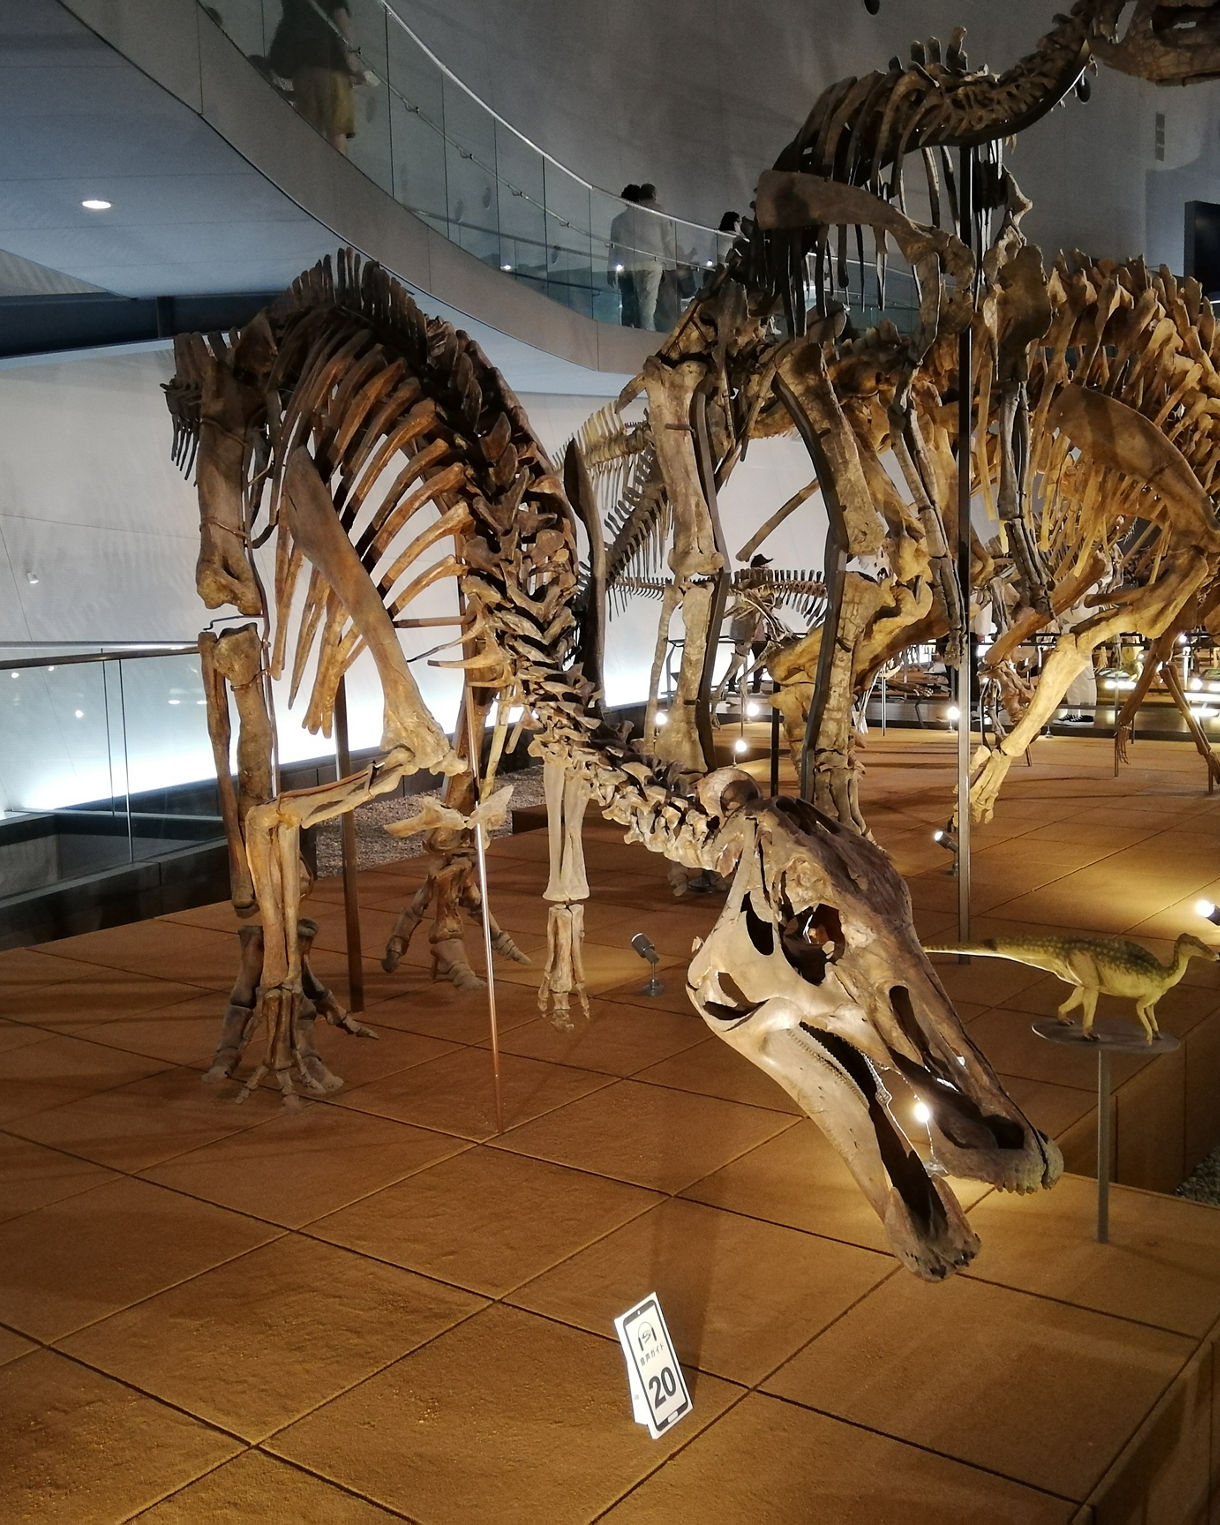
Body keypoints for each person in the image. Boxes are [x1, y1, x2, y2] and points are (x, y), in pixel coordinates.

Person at [268, 0, 357, 154]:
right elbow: (342, 21)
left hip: (303, 71)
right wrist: (353, 65)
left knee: (310, 132)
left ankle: (313, 173)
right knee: (336, 130)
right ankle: (336, 172)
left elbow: (287, 26)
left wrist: (277, 64)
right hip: (331, 66)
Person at [635, 183, 678, 331]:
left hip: (635, 259)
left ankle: (639, 328)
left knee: (640, 298)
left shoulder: (633, 210)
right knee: (649, 300)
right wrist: (672, 261)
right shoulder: (659, 210)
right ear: (653, 194)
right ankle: (647, 331)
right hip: (654, 260)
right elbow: (667, 238)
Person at [607, 186, 642, 328]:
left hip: (625, 267)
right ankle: (639, 329)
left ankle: (628, 328)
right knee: (641, 303)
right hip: (640, 266)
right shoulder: (646, 221)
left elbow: (613, 247)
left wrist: (610, 269)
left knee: (628, 301)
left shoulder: (618, 221)